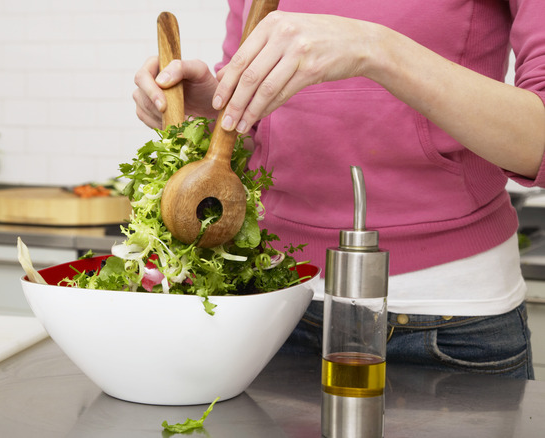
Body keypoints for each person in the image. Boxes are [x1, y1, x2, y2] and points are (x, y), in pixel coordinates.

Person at [133, 0, 545, 379]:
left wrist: (375, 47)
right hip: (272, 305)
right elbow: (257, 126)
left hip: (448, 318)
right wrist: (212, 106)